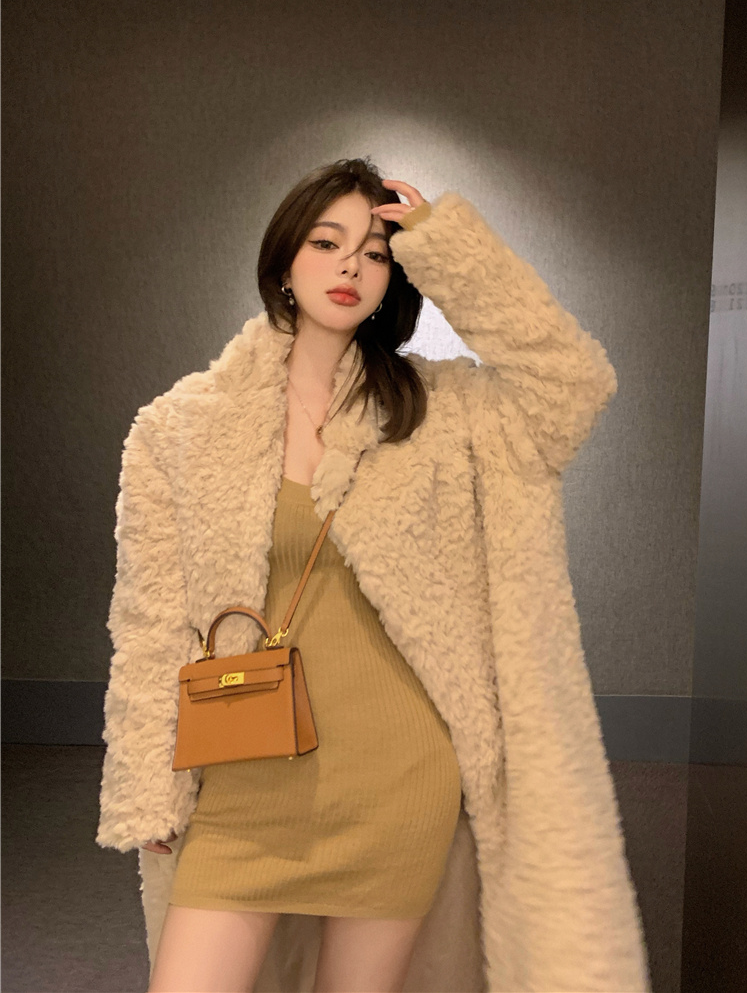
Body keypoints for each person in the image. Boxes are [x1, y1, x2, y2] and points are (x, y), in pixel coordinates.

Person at [97, 157, 651, 993]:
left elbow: (573, 384)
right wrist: (146, 788)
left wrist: (444, 242)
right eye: (326, 243)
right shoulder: (179, 428)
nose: (351, 266)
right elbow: (149, 624)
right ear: (284, 261)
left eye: (377, 252)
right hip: (244, 780)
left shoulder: (439, 409)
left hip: (397, 780)